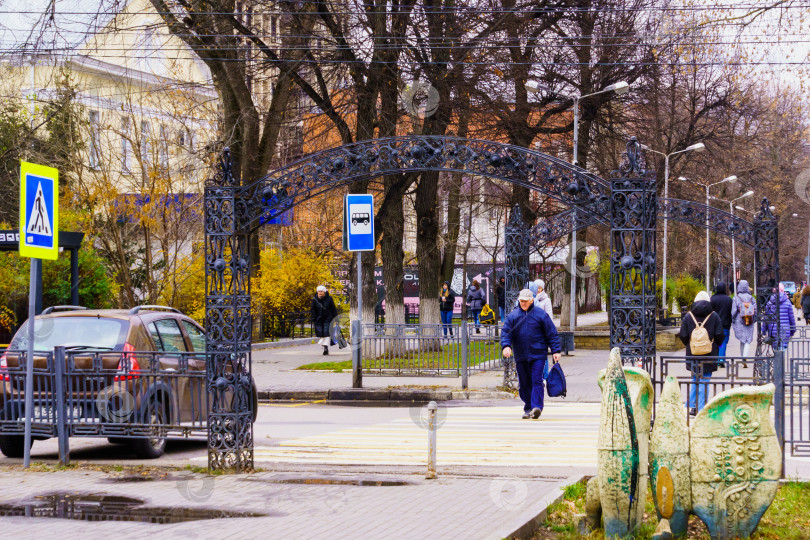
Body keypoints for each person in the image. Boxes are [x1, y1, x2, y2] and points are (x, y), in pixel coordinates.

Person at [501, 288, 561, 420]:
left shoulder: (541, 315)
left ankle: (536, 407)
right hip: (521, 355)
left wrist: (556, 351)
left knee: (536, 380)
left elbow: (552, 333)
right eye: (521, 301)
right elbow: (506, 333)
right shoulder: (513, 316)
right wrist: (506, 346)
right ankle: (528, 407)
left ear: (531, 300)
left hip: (538, 354)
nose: (523, 303)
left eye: (525, 301)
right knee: (524, 383)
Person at [679, 291, 725, 415]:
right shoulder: (714, 316)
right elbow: (720, 334)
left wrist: (690, 344)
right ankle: (701, 408)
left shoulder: (689, 316)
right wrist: (715, 344)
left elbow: (682, 335)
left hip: (693, 353)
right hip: (709, 353)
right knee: (705, 379)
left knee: (695, 378)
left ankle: (692, 407)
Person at [765, 283, 796, 351]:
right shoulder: (787, 302)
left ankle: (778, 361)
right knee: (782, 349)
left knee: (776, 350)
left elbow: (766, 318)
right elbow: (792, 319)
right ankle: (781, 361)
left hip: (773, 330)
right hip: (785, 331)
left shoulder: (770, 303)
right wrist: (793, 331)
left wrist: (764, 330)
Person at [730, 280, 757, 358]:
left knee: (742, 339)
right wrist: (753, 319)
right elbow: (755, 310)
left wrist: (733, 319)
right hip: (750, 320)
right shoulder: (752, 298)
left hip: (739, 320)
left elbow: (733, 311)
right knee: (748, 339)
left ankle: (743, 357)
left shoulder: (736, 298)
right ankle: (745, 356)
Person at [311, 285, 338, 355]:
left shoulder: (329, 299)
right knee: (321, 334)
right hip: (318, 320)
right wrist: (314, 318)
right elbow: (312, 310)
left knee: (327, 333)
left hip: (328, 319)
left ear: (324, 292)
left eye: (321, 291)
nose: (320, 293)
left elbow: (333, 309)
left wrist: (336, 318)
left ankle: (325, 348)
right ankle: (325, 346)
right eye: (318, 291)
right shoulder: (314, 299)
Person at [710, 282, 733, 359]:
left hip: (714, 324)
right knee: (723, 341)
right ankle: (721, 358)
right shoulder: (728, 300)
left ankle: (717, 357)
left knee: (716, 341)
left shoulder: (712, 299)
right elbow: (731, 312)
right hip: (725, 324)